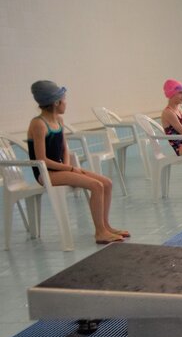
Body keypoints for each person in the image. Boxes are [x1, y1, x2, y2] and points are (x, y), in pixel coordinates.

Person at [25, 80, 127, 245]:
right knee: (96, 186)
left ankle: (106, 226)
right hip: (45, 173)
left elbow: (64, 148)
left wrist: (69, 168)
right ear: (56, 102)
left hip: (60, 169)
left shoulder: (59, 120)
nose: (66, 103)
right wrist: (70, 168)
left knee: (106, 183)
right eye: (64, 100)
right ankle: (100, 232)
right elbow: (41, 159)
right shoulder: (38, 124)